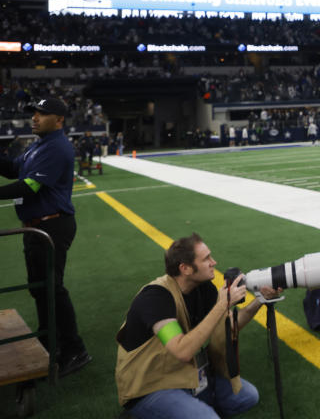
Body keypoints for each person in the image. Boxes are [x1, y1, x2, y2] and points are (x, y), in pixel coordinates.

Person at [115, 233, 280, 417]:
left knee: (247, 396)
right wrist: (222, 304)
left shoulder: (203, 289)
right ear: (185, 268)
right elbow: (182, 351)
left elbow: (229, 326)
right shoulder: (156, 298)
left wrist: (260, 300)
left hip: (185, 374)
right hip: (151, 386)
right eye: (206, 258)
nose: (214, 262)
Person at [0, 96, 91, 377]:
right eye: (34, 113)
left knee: (52, 288)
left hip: (52, 226)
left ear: (59, 120)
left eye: (42, 113)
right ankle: (49, 340)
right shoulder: (38, 145)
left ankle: (74, 350)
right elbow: (14, 169)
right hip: (37, 226)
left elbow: (29, 186)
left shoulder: (57, 147)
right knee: (40, 288)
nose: (35, 117)